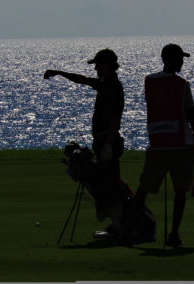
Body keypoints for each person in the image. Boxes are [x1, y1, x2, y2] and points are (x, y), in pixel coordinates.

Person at [123, 43, 194, 247]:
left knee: (143, 190)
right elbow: (188, 111)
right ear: (170, 59)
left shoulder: (149, 81)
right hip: (180, 142)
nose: (182, 62)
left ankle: (127, 232)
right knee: (180, 190)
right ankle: (174, 235)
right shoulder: (182, 84)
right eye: (179, 58)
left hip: (158, 142)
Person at [44, 48, 125, 207]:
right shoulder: (104, 84)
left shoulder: (113, 87)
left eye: (97, 65)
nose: (95, 69)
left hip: (108, 141)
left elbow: (115, 117)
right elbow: (82, 79)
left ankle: (119, 217)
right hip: (103, 141)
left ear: (106, 65)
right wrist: (59, 72)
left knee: (110, 184)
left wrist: (108, 144)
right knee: (106, 183)